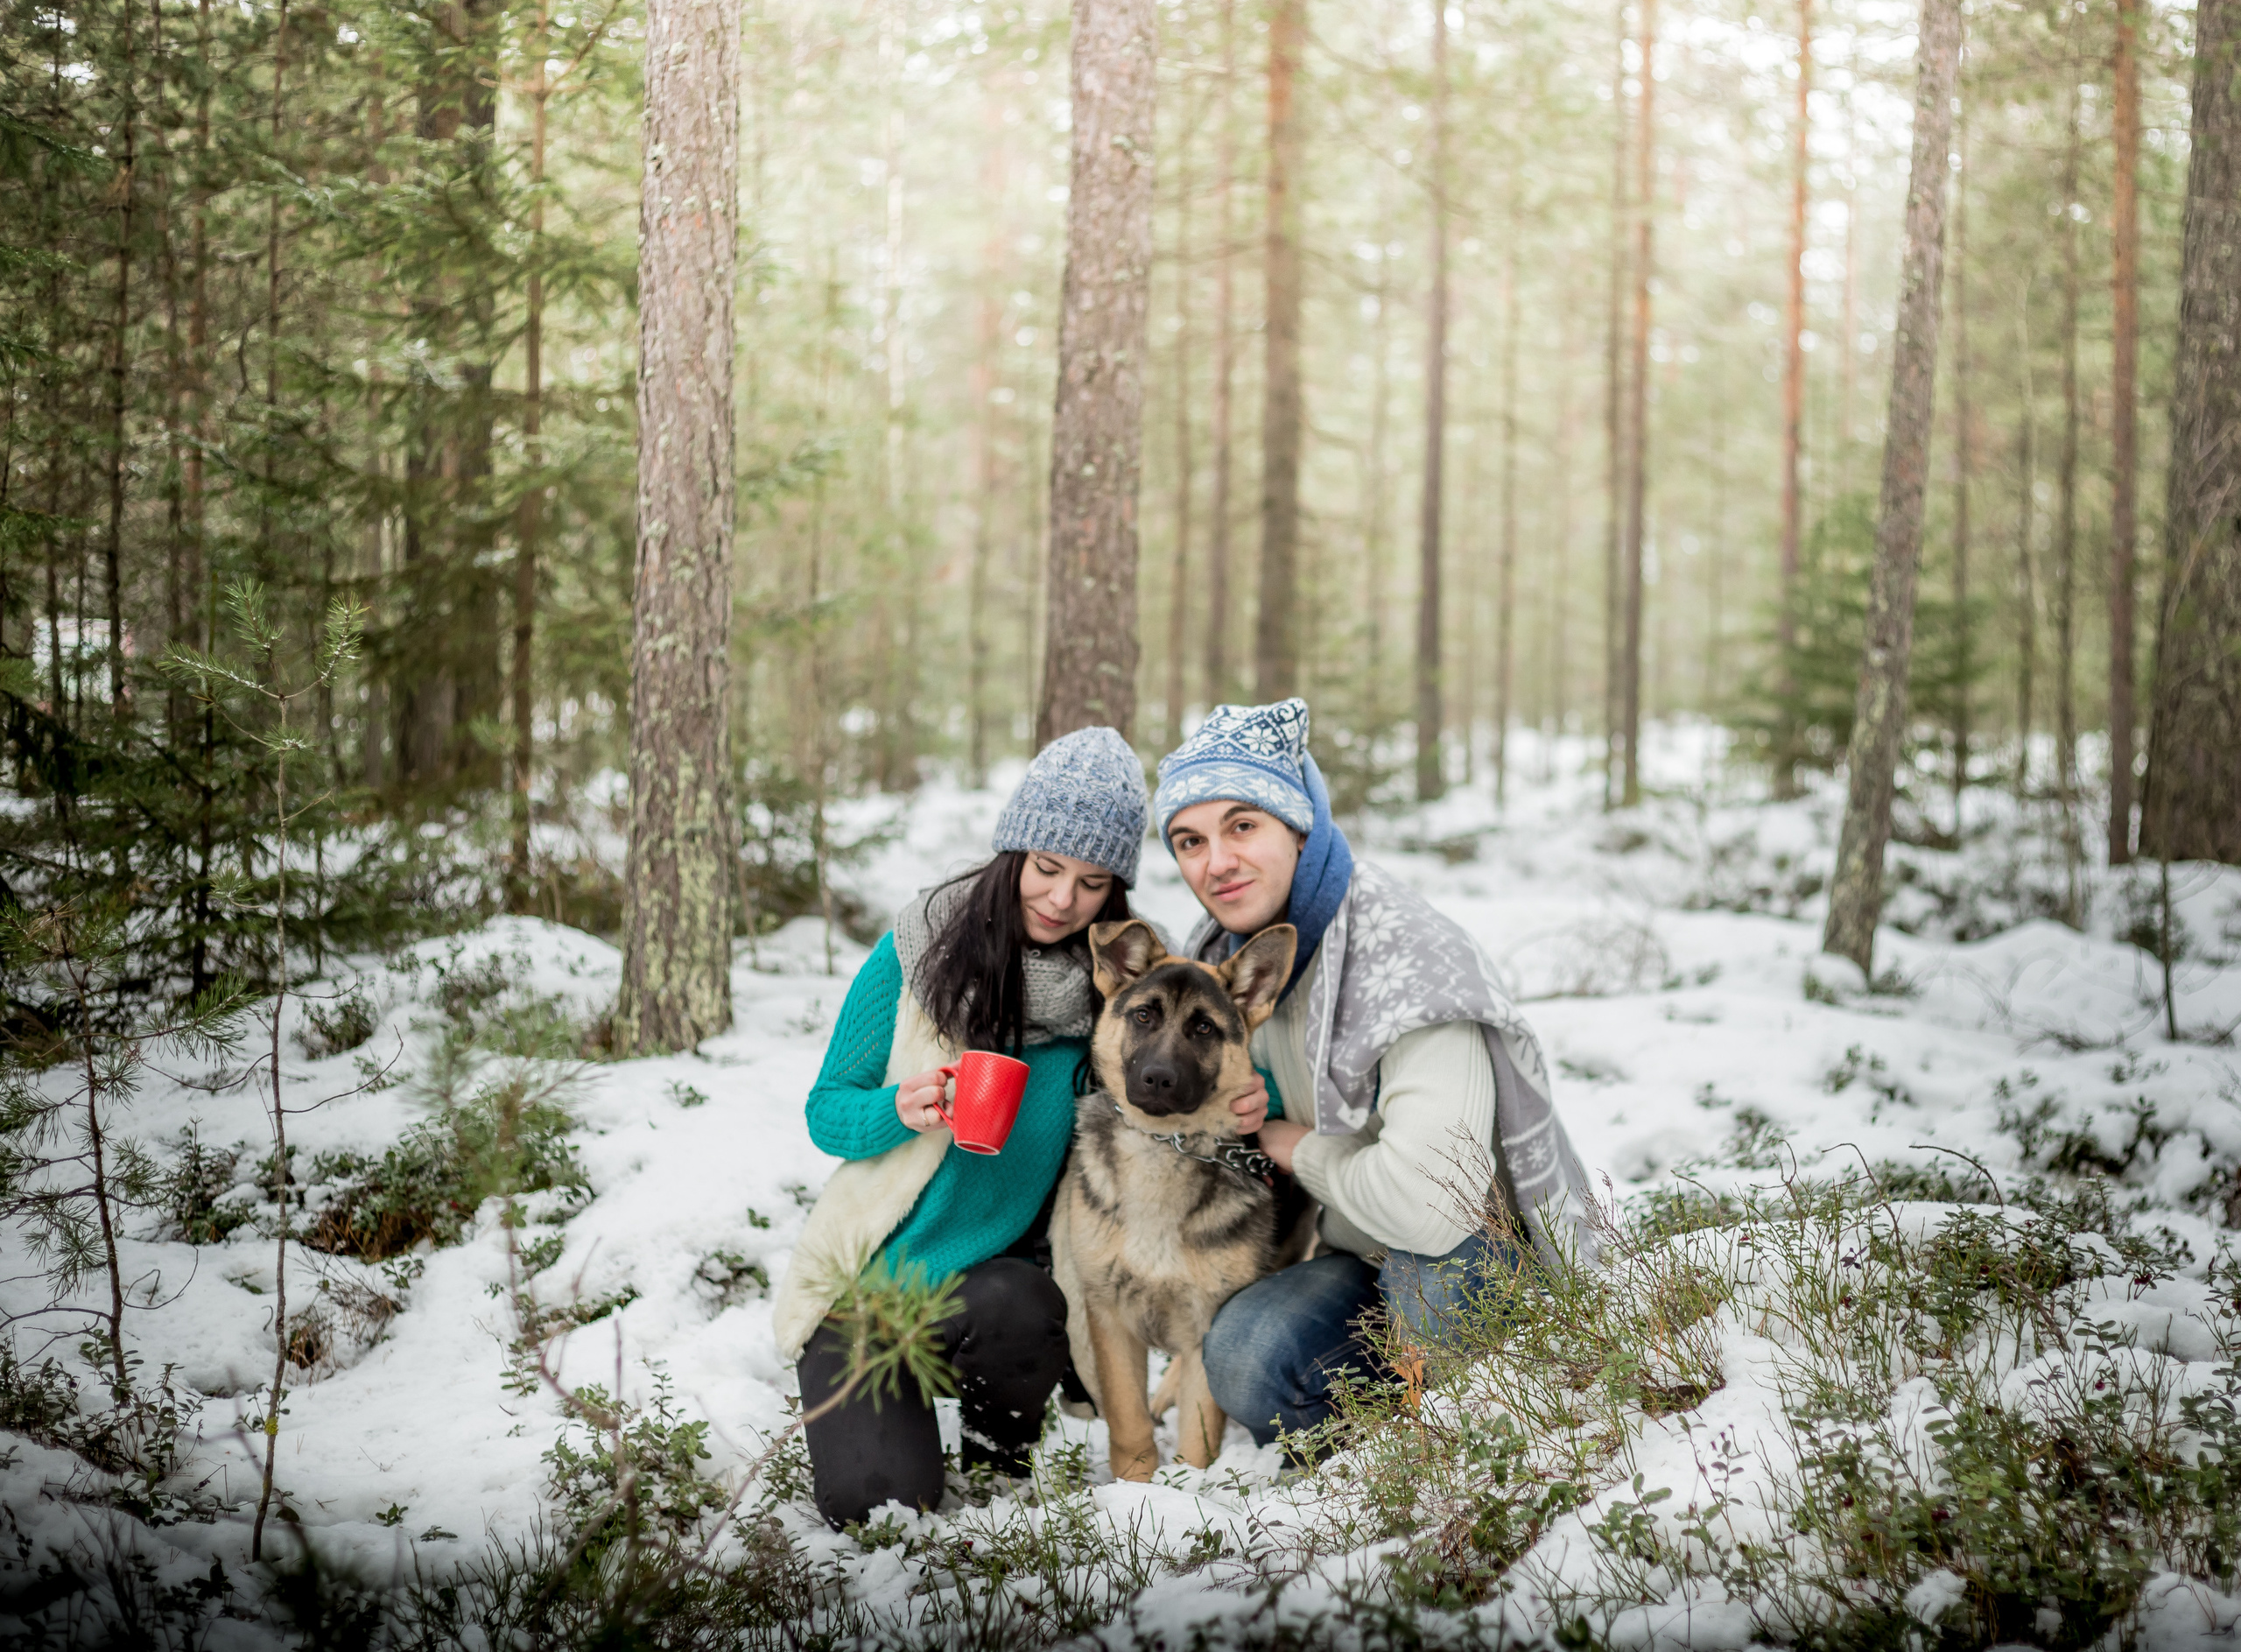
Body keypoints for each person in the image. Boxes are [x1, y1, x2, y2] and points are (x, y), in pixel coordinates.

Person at [1150, 698, 1596, 1456]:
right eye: (1190, 840)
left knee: (1431, 1289)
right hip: (1360, 1247)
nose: (1215, 861)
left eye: (1242, 825)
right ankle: (1379, 1436)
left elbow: (1434, 1207)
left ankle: (1477, 1428)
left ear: (1300, 827)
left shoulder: (1406, 959)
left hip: (1474, 1245)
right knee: (1248, 1355)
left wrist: (1292, 1143)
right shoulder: (1228, 962)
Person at [769, 727, 1170, 1528]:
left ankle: (999, 1453)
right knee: (878, 1508)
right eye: (1047, 868)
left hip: (994, 1290)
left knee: (1020, 1301)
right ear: (1013, 852)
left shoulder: (1119, 991)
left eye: (1092, 882)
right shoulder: (918, 949)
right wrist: (896, 1109)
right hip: (867, 1290)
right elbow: (826, 1108)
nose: (1062, 899)